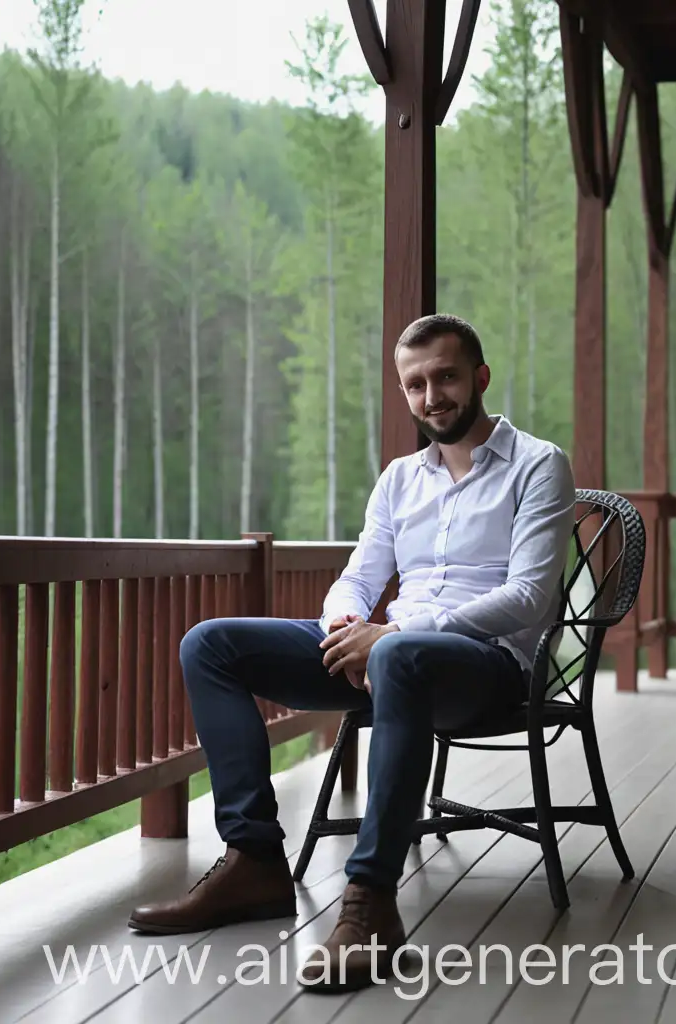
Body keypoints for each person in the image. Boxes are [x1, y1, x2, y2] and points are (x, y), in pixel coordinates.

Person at [127, 313, 576, 992]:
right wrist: (346, 629)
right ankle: (252, 859)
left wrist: (392, 638)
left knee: (402, 657)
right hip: (388, 656)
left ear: (479, 378)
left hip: (486, 666)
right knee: (211, 645)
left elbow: (531, 598)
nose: (433, 396)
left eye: (447, 377)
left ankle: (369, 904)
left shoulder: (538, 464)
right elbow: (357, 580)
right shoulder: (400, 479)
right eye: (415, 384)